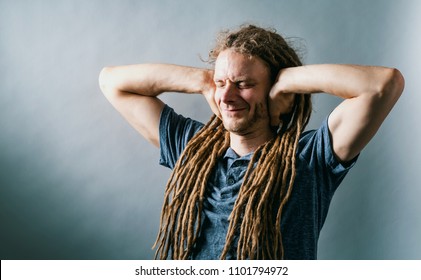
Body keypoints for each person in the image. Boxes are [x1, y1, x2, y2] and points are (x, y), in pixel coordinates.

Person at [98, 25, 404, 260]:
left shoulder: (311, 156)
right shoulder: (191, 146)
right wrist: (204, 81)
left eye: (244, 84)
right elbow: (111, 81)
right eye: (222, 83)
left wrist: (289, 81)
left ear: (274, 92)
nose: (227, 96)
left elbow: (384, 85)